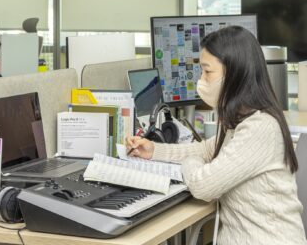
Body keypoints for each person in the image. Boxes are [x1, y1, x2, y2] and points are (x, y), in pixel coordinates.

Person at [126, 26, 306, 245]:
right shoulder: (238, 119)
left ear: (235, 73)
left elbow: (203, 186)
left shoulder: (260, 127)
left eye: (207, 71)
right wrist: (154, 151)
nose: (201, 80)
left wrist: (193, 162)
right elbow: (205, 150)